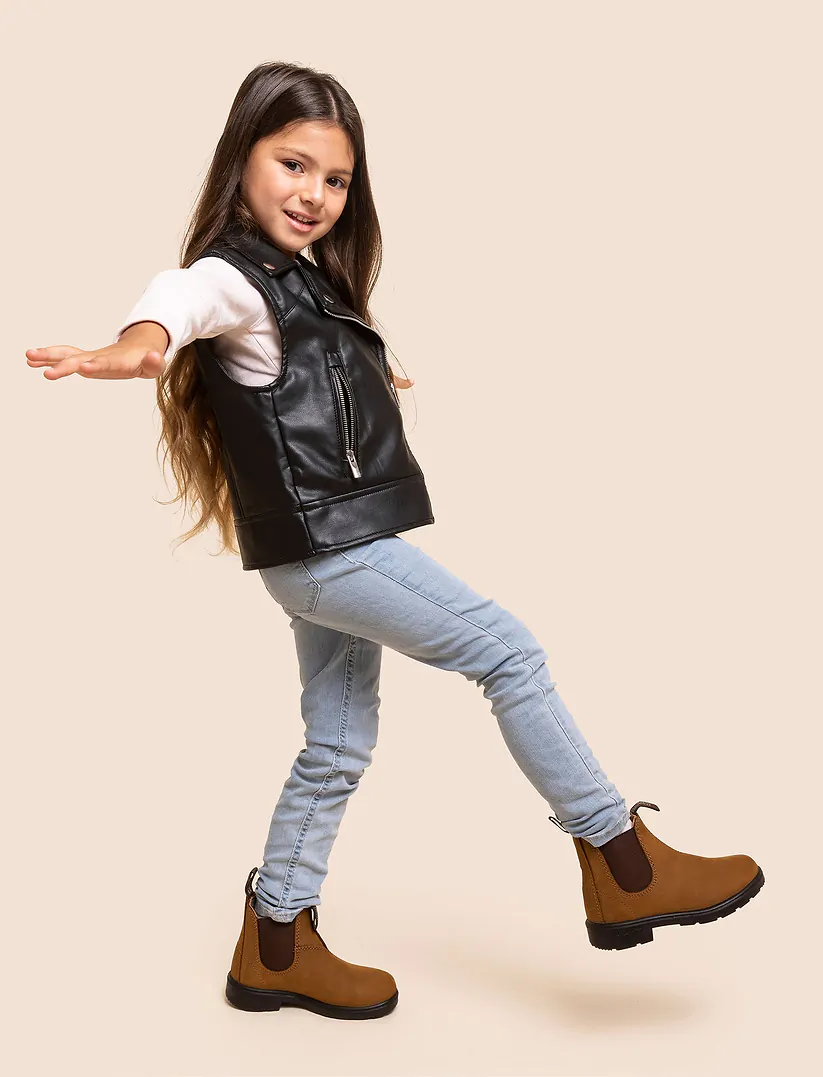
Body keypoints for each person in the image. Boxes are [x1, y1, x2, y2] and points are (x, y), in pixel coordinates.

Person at [26, 61, 764, 1022]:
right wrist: (139, 342)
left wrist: (364, 378)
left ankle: (276, 944)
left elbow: (298, 378)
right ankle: (622, 862)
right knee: (509, 652)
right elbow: (180, 298)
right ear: (241, 158)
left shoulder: (303, 283)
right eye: (293, 164)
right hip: (334, 554)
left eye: (335, 179)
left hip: (320, 555)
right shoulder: (230, 277)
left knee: (337, 742)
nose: (314, 194)